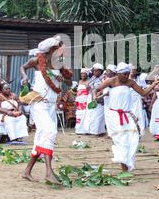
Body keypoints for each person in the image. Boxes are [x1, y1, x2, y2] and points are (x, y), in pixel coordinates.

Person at [22, 36, 73, 184]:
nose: (62, 51)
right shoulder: (38, 61)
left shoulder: (59, 64)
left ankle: (27, 172)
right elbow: (23, 67)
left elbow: (69, 82)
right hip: (38, 103)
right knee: (50, 131)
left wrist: (65, 81)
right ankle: (49, 172)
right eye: (60, 48)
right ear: (52, 50)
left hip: (51, 105)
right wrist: (24, 76)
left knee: (41, 138)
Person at [94, 62, 159, 171]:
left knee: (134, 137)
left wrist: (154, 84)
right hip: (114, 115)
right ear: (118, 73)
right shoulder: (111, 81)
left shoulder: (130, 82)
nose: (126, 76)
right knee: (121, 140)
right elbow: (96, 89)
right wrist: (95, 96)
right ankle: (124, 167)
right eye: (124, 74)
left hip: (127, 115)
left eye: (127, 74)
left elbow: (143, 93)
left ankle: (128, 162)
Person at [84, 63, 106, 135]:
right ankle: (99, 131)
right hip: (92, 98)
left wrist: (97, 93)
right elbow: (87, 85)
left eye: (96, 71)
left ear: (100, 71)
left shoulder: (103, 78)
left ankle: (96, 132)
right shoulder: (94, 77)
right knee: (92, 115)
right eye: (93, 71)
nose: (94, 72)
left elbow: (104, 88)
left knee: (98, 116)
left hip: (100, 99)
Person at [129, 65, 148, 136]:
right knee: (130, 115)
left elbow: (144, 89)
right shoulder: (126, 79)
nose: (132, 71)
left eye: (134, 70)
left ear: (136, 71)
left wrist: (143, 99)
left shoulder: (140, 79)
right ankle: (130, 132)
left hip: (137, 100)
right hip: (129, 100)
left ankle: (140, 132)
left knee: (139, 115)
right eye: (131, 70)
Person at [75, 68, 90, 135]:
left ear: (87, 74)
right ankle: (78, 130)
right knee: (79, 115)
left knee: (85, 115)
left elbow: (90, 92)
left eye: (84, 73)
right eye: (81, 74)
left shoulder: (89, 82)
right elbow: (78, 92)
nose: (82, 75)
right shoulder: (79, 81)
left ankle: (85, 130)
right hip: (79, 101)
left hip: (85, 101)